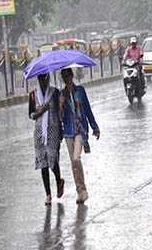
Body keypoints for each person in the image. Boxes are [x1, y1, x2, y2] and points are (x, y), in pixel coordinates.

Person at [59, 68, 100, 204]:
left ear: (72, 76)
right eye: (63, 76)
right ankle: (80, 191)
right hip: (68, 131)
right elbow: (61, 118)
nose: (66, 78)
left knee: (76, 159)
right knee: (73, 163)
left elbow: (87, 109)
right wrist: (61, 105)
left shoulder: (80, 91)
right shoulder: (62, 94)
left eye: (68, 76)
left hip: (80, 130)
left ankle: (83, 189)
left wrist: (95, 127)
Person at [29, 73, 65, 206]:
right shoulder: (33, 95)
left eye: (45, 79)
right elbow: (31, 115)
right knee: (43, 163)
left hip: (53, 129)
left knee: (52, 159)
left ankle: (58, 180)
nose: (43, 82)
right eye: (40, 79)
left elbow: (60, 113)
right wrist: (41, 111)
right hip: (39, 132)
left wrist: (61, 131)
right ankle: (48, 194)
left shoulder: (54, 92)